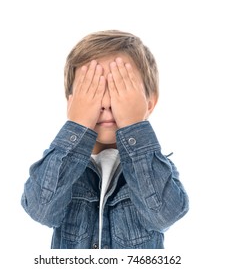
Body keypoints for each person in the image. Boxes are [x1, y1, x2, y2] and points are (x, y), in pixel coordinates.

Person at [21, 30, 189, 249]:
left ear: (149, 103)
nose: (107, 103)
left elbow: (164, 215)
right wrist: (78, 125)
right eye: (93, 89)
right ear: (71, 103)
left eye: (121, 88)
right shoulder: (61, 165)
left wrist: (134, 127)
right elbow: (40, 209)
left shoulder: (157, 167)